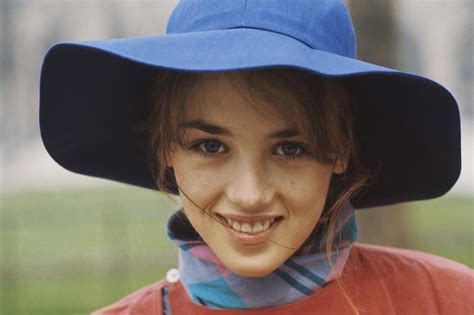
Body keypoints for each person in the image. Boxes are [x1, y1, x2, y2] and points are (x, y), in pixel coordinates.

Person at [39, 1, 473, 314]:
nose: (250, 194)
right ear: (165, 148)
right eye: (210, 146)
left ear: (341, 150)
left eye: (290, 148)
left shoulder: (449, 301)